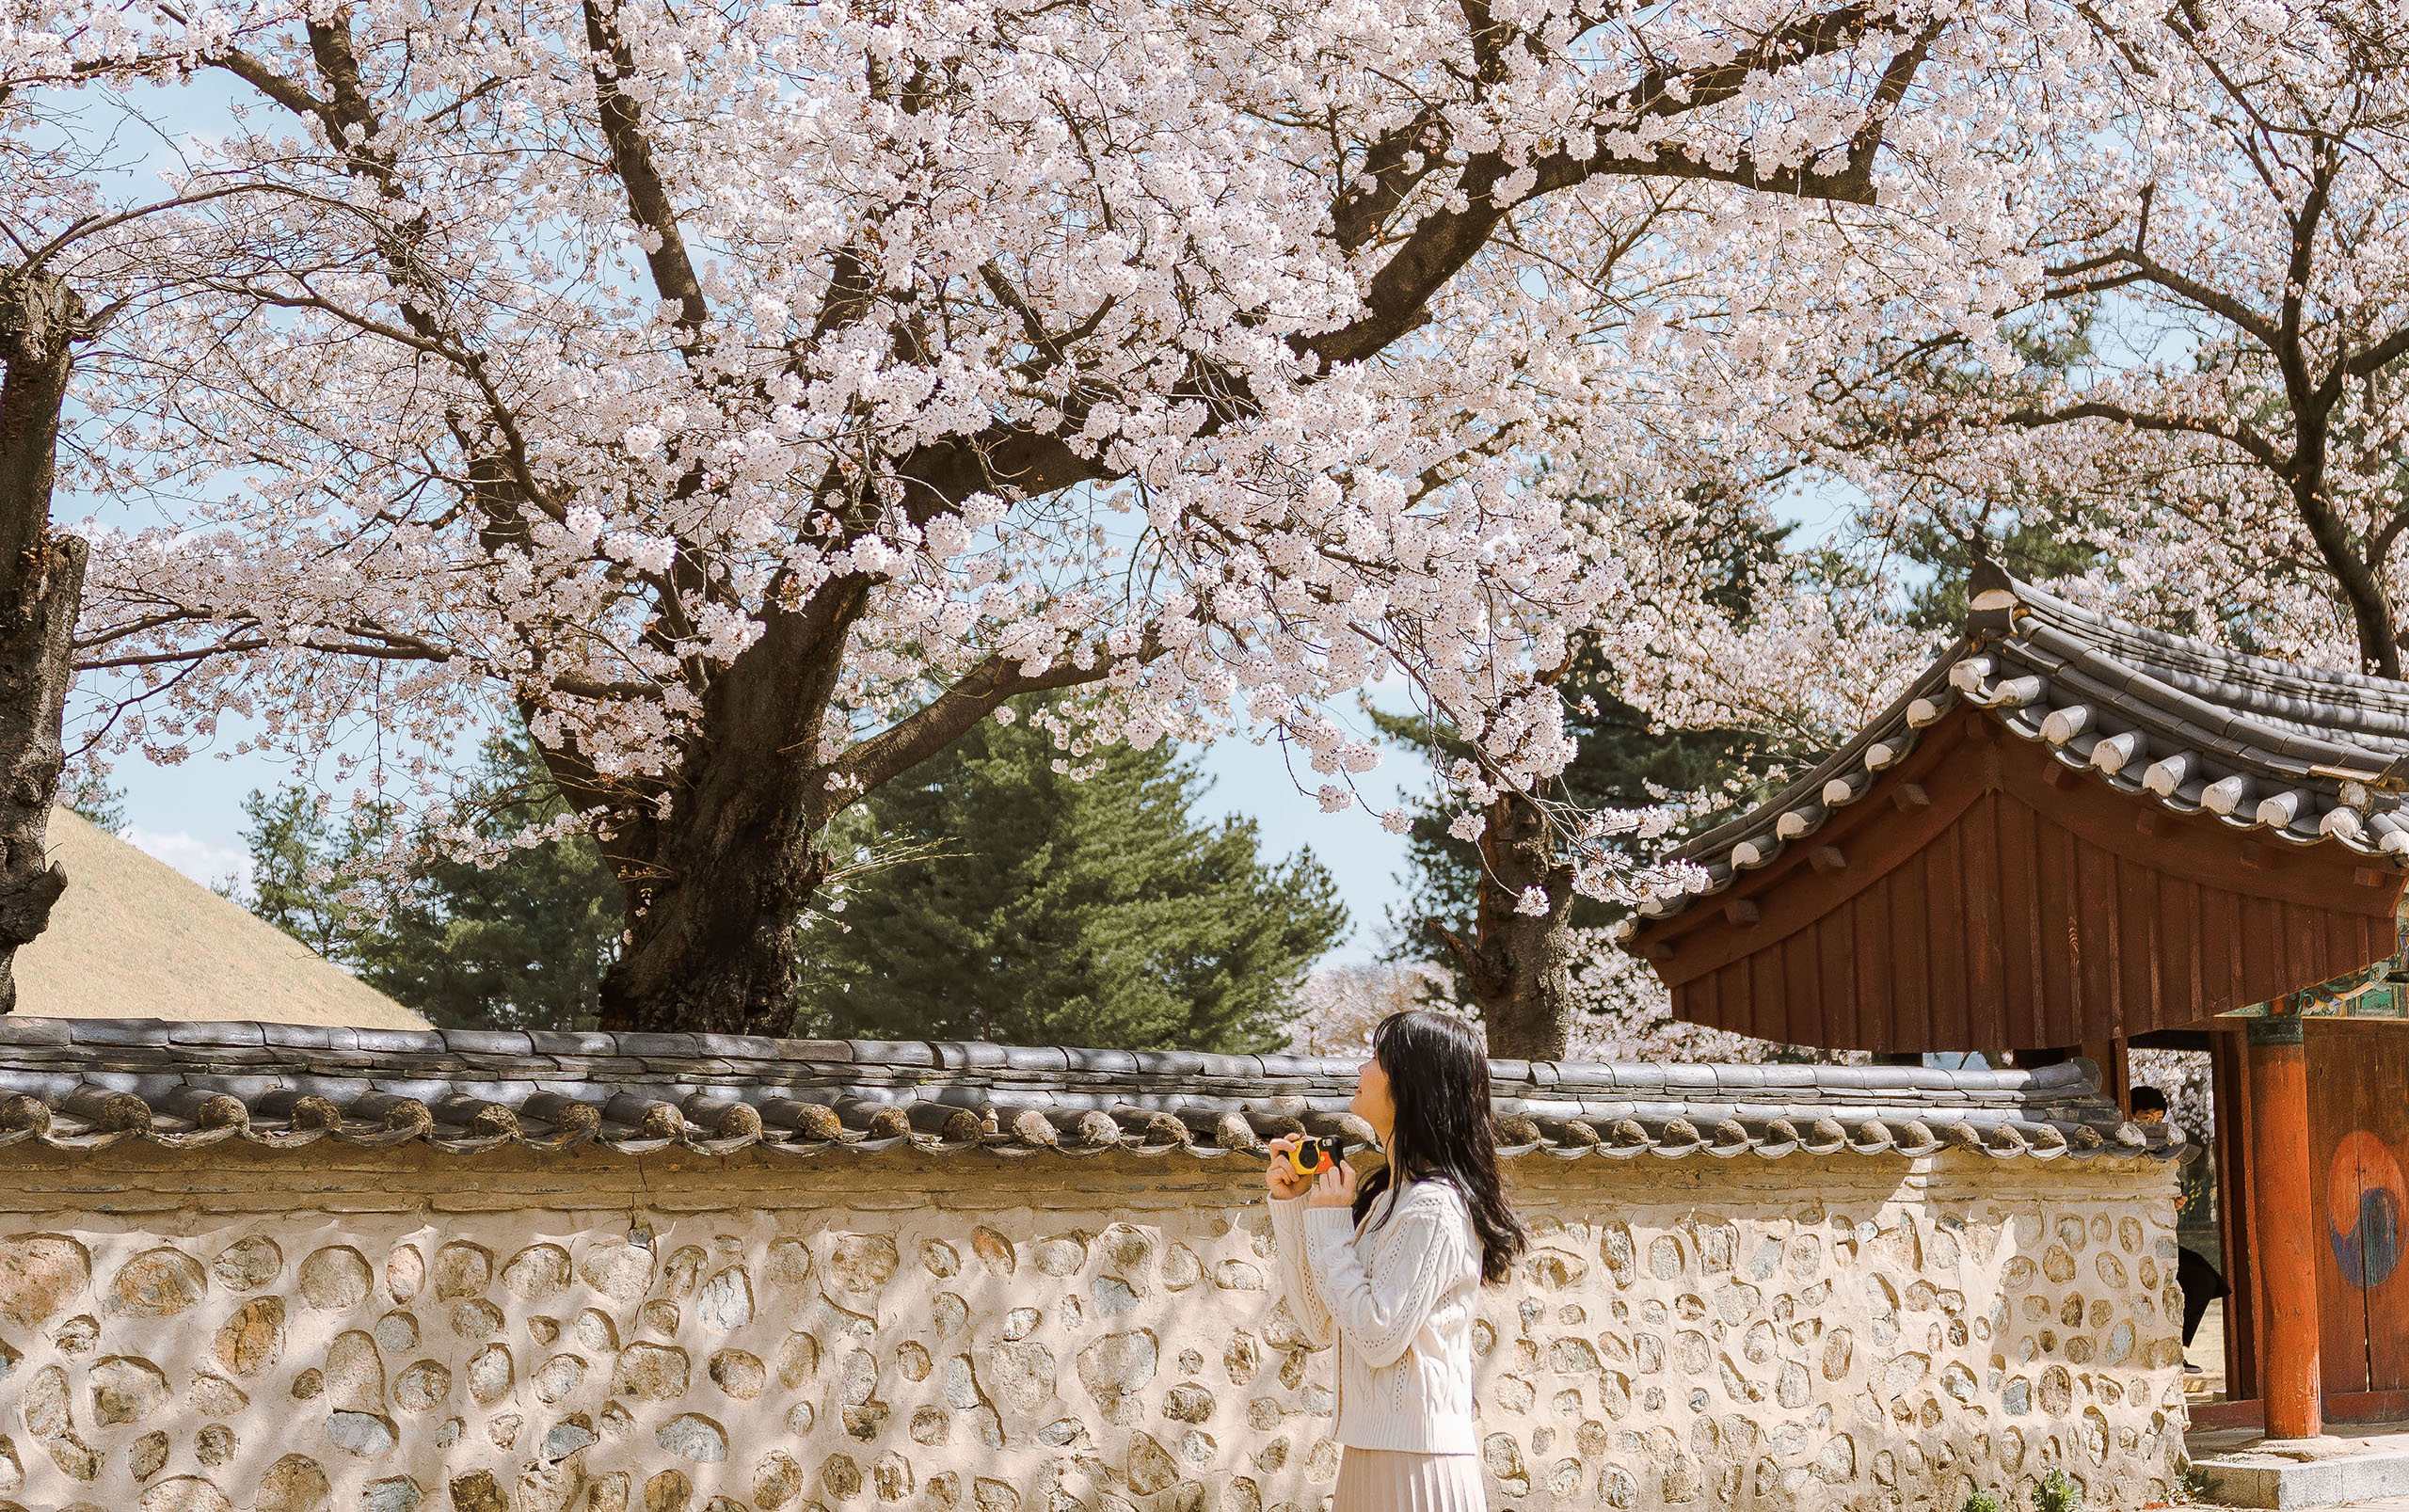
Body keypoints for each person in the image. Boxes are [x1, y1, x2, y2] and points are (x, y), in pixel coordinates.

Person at [1264, 1010, 1528, 1512]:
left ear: (1410, 1084)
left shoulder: (1434, 1207)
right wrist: (1297, 1206)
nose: (1361, 1068)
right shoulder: (1390, 1199)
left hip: (1418, 1463)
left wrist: (1330, 1226)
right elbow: (1321, 1322)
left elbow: (1379, 1336)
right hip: (1369, 1455)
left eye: (1376, 1058)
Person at [2130, 1085, 2228, 1371]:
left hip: (2160, 1241)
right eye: (2146, 1118)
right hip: (2137, 1243)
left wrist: (2175, 1201)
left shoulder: (2166, 1150)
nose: (2154, 1124)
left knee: (2204, 1279)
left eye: (2158, 1118)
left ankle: (2177, 1348)